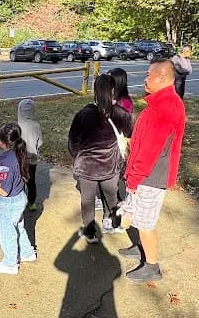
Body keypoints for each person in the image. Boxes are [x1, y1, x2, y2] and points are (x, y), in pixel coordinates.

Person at [120, 59, 186, 282]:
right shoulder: (161, 102)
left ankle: (151, 265)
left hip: (150, 176)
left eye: (149, 75)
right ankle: (140, 247)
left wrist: (134, 178)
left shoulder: (164, 107)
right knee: (136, 214)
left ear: (162, 78)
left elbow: (151, 150)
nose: (145, 79)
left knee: (146, 223)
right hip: (144, 173)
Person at [68, 74, 133, 243]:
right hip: (110, 165)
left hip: (86, 167)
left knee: (87, 201)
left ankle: (89, 233)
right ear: (113, 90)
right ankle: (111, 223)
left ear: (95, 90)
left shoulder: (83, 114)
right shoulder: (123, 115)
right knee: (111, 196)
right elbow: (129, 137)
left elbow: (73, 143)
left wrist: (79, 157)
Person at [0, 122, 37, 275]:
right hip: (19, 197)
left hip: (9, 203)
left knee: (6, 232)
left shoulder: (7, 162)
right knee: (18, 226)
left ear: (4, 142)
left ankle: (10, 264)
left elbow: (4, 190)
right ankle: (27, 253)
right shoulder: (19, 153)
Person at [18, 98, 43, 211]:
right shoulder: (36, 125)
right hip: (33, 158)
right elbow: (40, 142)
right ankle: (32, 203)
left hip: (20, 158)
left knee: (20, 179)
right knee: (31, 180)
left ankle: (20, 202)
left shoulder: (18, 126)